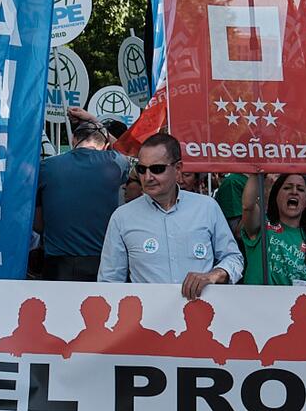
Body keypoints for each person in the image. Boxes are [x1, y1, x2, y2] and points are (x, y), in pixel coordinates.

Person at [99, 134, 243, 297]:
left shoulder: (207, 208)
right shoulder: (122, 217)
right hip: (146, 319)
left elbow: (234, 258)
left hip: (201, 316)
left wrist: (213, 276)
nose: (148, 177)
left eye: (157, 169)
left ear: (178, 169)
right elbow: (109, 281)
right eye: (141, 169)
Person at [37, 116, 130, 281]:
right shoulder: (116, 162)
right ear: (107, 145)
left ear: (73, 140)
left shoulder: (47, 167)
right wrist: (92, 120)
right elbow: (127, 149)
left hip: (57, 264)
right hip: (102, 262)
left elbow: (37, 220)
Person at [237, 171, 306, 286]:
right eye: (287, 188)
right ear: (276, 196)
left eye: (300, 189)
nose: (294, 192)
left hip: (295, 303)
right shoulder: (262, 225)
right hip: (258, 302)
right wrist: (257, 170)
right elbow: (248, 206)